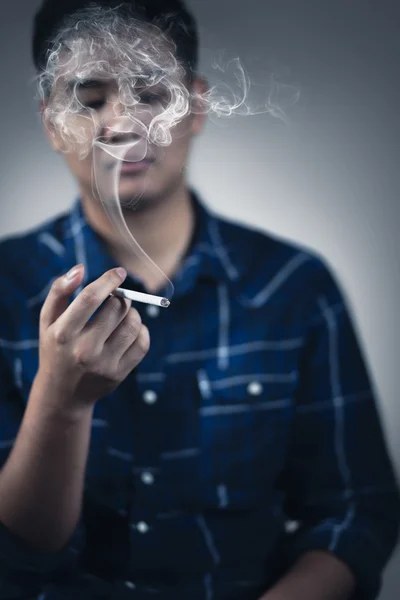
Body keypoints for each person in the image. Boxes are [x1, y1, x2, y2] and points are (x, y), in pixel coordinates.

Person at [0, 0, 398, 599]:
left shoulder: (294, 288)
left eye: (151, 94)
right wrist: (61, 403)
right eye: (88, 99)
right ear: (53, 123)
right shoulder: (6, 286)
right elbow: (16, 554)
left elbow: (356, 514)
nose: (123, 125)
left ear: (198, 105)